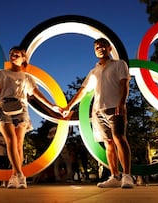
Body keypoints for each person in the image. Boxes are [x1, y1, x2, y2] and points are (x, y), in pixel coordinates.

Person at [63, 38, 134, 188]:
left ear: (109, 48)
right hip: (98, 111)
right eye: (97, 47)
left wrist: (121, 103)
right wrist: (69, 106)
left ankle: (127, 176)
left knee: (119, 138)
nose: (100, 49)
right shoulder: (93, 71)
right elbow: (83, 90)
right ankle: (115, 176)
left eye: (103, 46)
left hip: (115, 107)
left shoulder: (119, 64)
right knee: (108, 143)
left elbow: (124, 84)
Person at [0, 46, 61, 189]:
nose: (13, 56)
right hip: (3, 108)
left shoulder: (27, 77)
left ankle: (13, 176)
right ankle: (20, 174)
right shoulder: (2, 73)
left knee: (18, 144)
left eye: (17, 54)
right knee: (10, 140)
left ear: (24, 58)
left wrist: (52, 105)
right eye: (11, 54)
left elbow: (36, 93)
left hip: (21, 109)